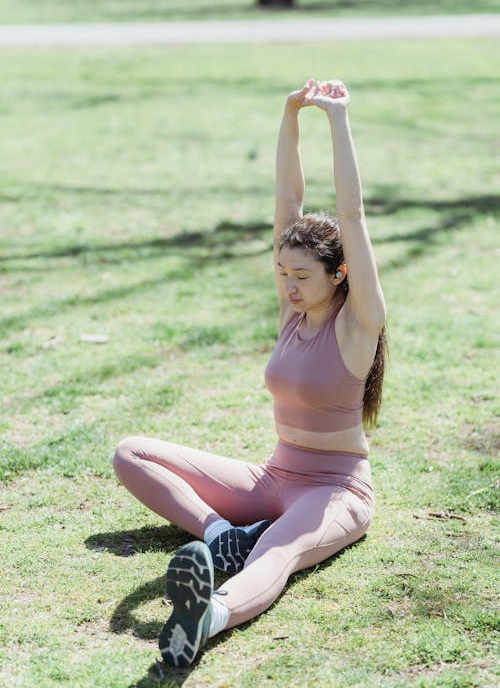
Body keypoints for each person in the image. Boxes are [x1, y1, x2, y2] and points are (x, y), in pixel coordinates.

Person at [113, 78, 387, 668]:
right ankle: (220, 537)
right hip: (276, 475)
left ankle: (205, 618)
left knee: (278, 554)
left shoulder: (358, 323)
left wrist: (337, 119)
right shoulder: (292, 311)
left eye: (302, 277)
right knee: (130, 454)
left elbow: (351, 215)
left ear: (338, 275)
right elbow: (288, 203)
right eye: (281, 272)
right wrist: (291, 114)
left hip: (334, 489)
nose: (288, 287)